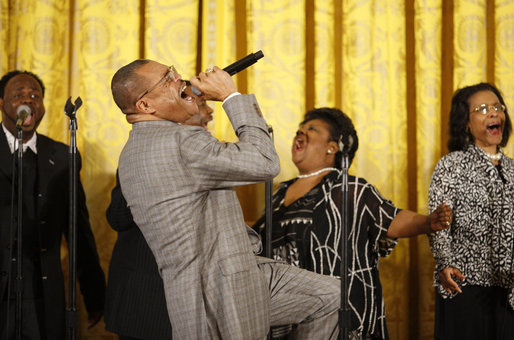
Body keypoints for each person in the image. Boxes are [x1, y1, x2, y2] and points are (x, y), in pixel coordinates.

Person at [111, 59, 345, 339]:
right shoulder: (180, 142)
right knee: (336, 296)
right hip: (223, 289)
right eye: (168, 78)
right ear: (145, 106)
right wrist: (230, 96)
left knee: (333, 295)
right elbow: (264, 162)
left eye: (174, 71)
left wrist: (191, 104)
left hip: (221, 279)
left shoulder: (133, 150)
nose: (181, 79)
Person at [252, 107, 452, 339]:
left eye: (311, 129)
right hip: (287, 318)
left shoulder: (350, 189)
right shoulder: (279, 193)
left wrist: (428, 222)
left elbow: (391, 219)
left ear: (332, 147)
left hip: (340, 319)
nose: (300, 132)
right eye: (300, 129)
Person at [0, 70, 106, 339]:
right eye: (19, 95)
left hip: (42, 294)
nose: (29, 100)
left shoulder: (61, 156)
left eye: (35, 95)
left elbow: (78, 230)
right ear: (1, 103)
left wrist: (94, 294)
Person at [104, 89, 213, 340]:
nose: (210, 111)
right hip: (145, 298)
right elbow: (117, 218)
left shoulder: (210, 154)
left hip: (193, 300)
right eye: (202, 103)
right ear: (180, 113)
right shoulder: (143, 152)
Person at [428, 82, 514, 339]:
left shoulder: (513, 169)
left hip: (509, 289)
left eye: (498, 107)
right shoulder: (451, 164)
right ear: (465, 123)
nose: (493, 113)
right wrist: (444, 261)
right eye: (483, 109)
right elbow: (439, 220)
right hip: (464, 282)